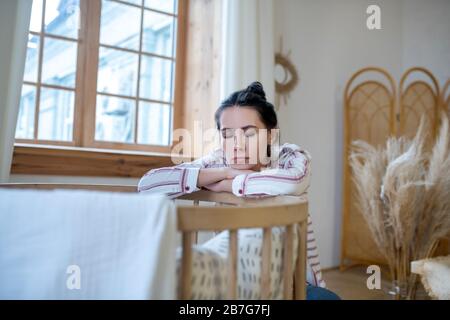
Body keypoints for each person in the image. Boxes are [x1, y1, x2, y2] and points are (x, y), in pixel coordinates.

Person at [138, 81, 340, 300]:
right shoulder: (218, 161)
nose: (238, 145)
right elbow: (147, 184)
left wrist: (229, 184)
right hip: (235, 282)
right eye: (227, 134)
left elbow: (294, 181)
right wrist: (224, 171)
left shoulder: (286, 157)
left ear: (271, 135)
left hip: (291, 284)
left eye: (250, 133)